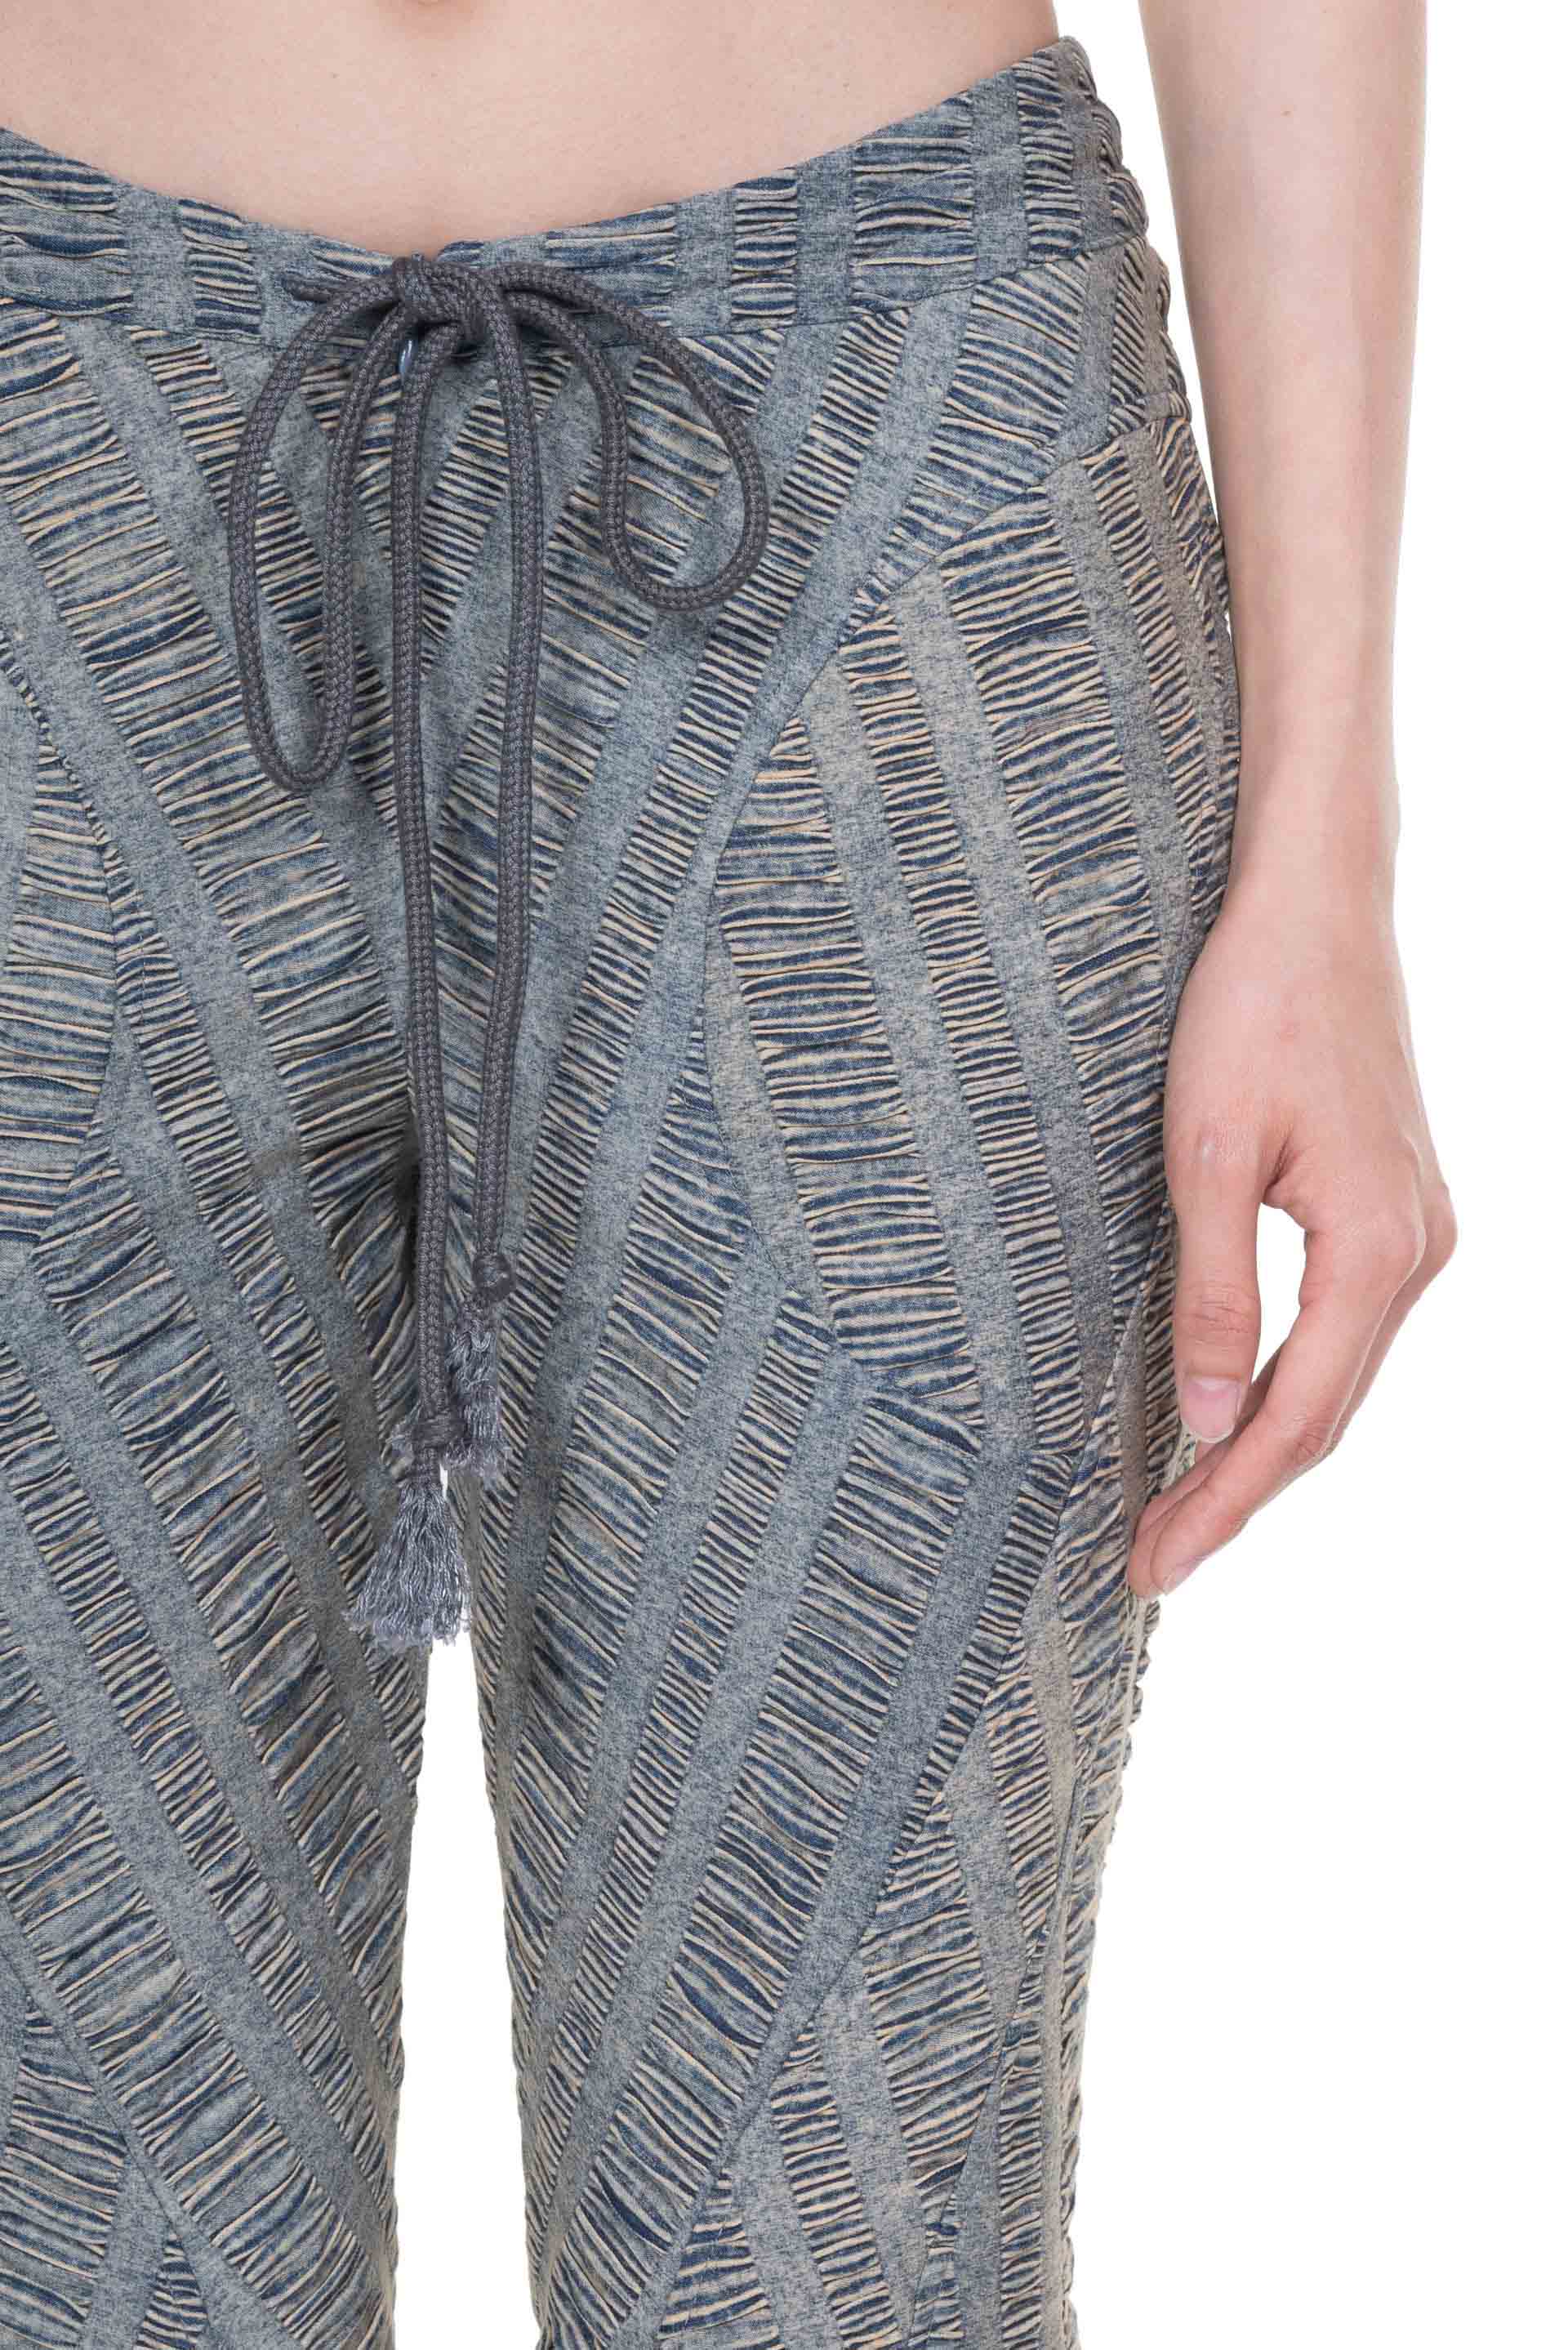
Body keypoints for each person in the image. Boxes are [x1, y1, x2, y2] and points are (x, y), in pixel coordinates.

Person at [0, 2, 1453, 2343]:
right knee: (77, 2228)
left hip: (891, 543)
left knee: (832, 2246)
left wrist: (1330, 859)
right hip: (43, 485)